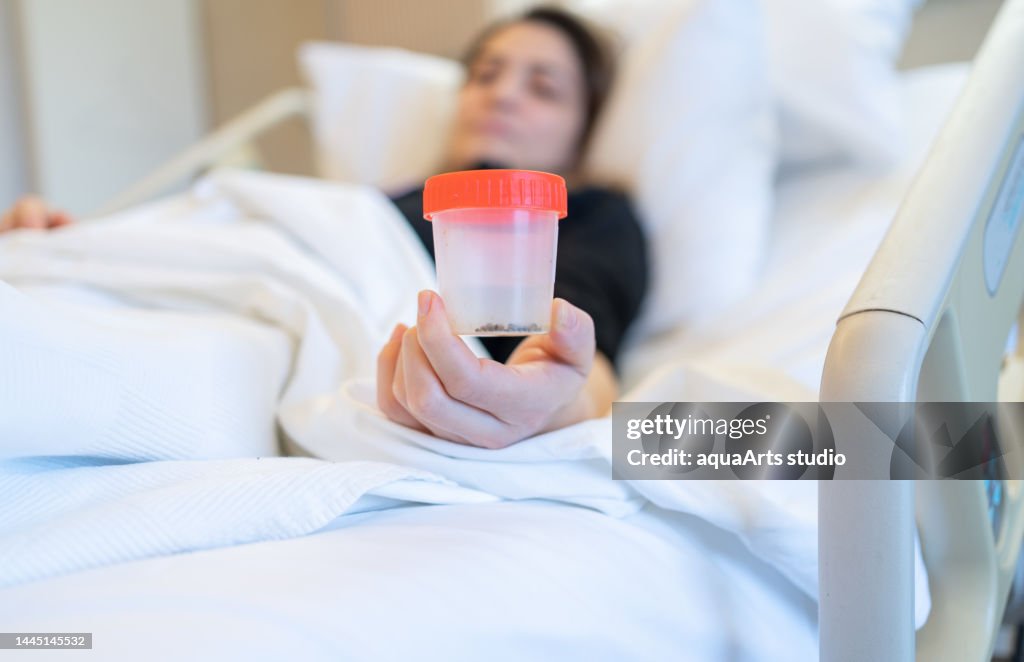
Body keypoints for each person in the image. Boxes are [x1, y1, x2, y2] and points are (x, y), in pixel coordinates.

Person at [0, 7, 648, 450]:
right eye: (484, 75)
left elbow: (581, 363)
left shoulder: (592, 211)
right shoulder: (371, 206)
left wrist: (554, 405)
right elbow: (266, 248)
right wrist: (90, 247)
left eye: (543, 87)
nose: (501, 94)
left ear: (584, 127)